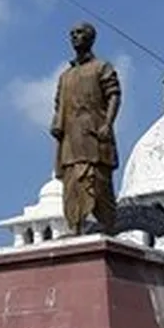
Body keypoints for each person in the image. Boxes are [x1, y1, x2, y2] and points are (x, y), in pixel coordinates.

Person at [50, 22, 121, 235]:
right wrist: (56, 123)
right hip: (70, 141)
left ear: (90, 38)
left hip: (94, 136)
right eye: (71, 34)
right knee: (72, 186)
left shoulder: (102, 67)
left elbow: (114, 95)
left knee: (98, 183)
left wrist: (108, 123)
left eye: (79, 33)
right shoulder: (65, 76)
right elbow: (58, 105)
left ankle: (107, 228)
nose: (74, 37)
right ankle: (76, 227)